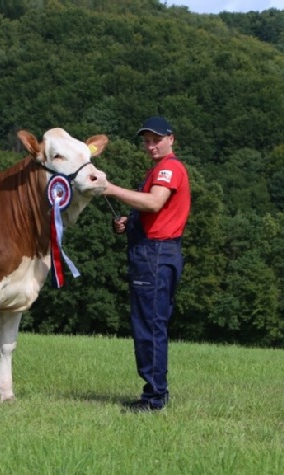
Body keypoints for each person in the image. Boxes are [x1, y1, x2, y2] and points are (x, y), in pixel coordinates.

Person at [102, 116, 191, 412]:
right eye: (147, 140)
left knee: (149, 326)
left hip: (155, 254)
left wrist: (110, 189)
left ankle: (154, 399)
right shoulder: (160, 168)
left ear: (171, 139)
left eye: (157, 139)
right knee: (149, 323)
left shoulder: (169, 168)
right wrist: (131, 222)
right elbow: (156, 212)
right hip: (156, 251)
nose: (151, 145)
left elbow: (154, 202)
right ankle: (152, 393)